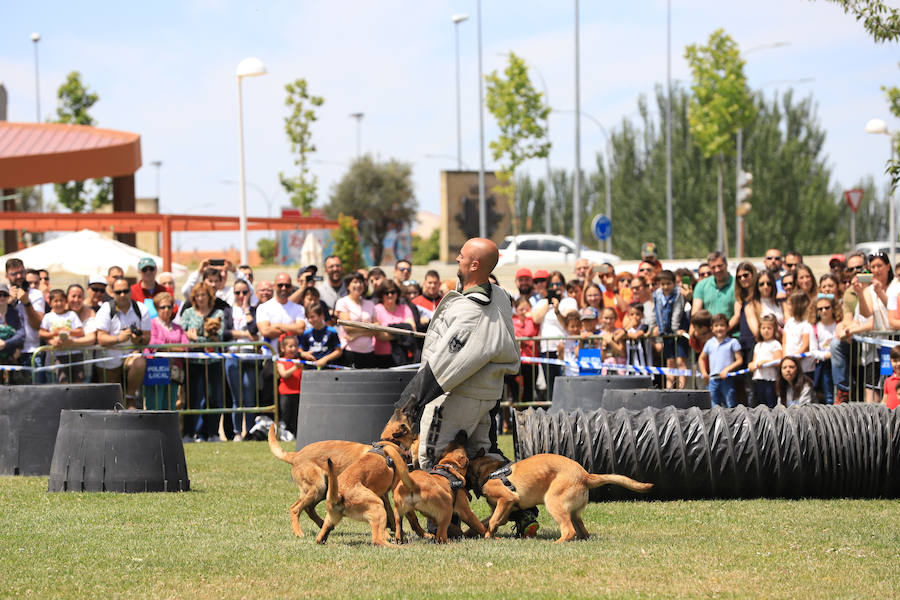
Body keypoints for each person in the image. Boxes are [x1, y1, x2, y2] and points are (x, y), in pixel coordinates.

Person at [396, 237, 529, 534]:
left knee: (433, 456)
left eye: (462, 255)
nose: (456, 258)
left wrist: (410, 402)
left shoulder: (471, 313)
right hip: (486, 396)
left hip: (457, 396)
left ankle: (445, 523)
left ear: (474, 264)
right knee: (482, 457)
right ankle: (523, 512)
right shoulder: (500, 296)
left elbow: (446, 364)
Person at [92, 277, 150, 408]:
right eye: (118, 292)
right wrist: (119, 338)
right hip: (108, 359)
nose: (122, 295)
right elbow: (100, 338)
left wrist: (138, 339)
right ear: (112, 293)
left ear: (130, 291)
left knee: (140, 362)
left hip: (130, 356)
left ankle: (130, 398)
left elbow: (147, 338)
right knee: (111, 402)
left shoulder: (141, 309)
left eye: (125, 291)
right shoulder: (106, 309)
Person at [180, 282, 226, 442]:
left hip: (213, 361)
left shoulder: (218, 313)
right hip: (193, 361)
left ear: (209, 296)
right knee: (192, 398)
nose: (200, 298)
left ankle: (212, 433)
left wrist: (196, 339)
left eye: (203, 295)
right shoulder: (187, 313)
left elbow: (218, 337)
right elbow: (183, 335)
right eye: (197, 295)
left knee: (213, 397)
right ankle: (188, 433)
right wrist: (201, 339)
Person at [532, 271, 578, 399]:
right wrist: (548, 302)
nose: (555, 287)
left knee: (567, 384)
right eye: (552, 284)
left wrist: (557, 310)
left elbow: (568, 324)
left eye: (558, 283)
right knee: (551, 386)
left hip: (566, 348)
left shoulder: (569, 301)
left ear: (563, 285)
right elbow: (536, 319)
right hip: (547, 349)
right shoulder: (542, 302)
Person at [226, 279, 259, 439]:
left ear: (249, 293)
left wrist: (246, 309)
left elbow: (254, 329)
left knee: (249, 395)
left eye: (244, 292)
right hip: (232, 355)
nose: (241, 295)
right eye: (237, 292)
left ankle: (251, 431)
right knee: (236, 397)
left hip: (249, 355)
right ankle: (237, 431)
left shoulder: (254, 310)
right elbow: (225, 333)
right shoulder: (228, 310)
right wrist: (245, 334)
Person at [147, 291, 188, 411]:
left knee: (170, 406)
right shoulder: (151, 324)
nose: (166, 310)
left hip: (174, 371)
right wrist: (175, 348)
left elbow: (186, 346)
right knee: (155, 404)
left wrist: (166, 347)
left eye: (169, 306)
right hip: (156, 369)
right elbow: (153, 343)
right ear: (156, 308)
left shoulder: (177, 327)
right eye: (162, 307)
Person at [6, 258, 46, 381]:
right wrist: (8, 302)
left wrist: (26, 302)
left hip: (32, 352)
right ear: (7, 275)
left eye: (22, 272)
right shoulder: (2, 294)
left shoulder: (36, 294)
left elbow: (37, 325)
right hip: (7, 353)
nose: (19, 276)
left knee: (37, 394)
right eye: (14, 274)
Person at [650, 270, 687, 389]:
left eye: (668, 283)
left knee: (680, 361)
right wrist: (653, 327)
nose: (665, 287)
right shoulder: (657, 294)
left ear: (674, 283)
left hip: (678, 330)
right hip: (665, 332)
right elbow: (655, 312)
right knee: (669, 362)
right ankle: (669, 388)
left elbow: (677, 312)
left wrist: (675, 330)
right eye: (663, 284)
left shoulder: (678, 294)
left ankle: (681, 389)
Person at [39, 289, 85, 383]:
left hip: (75, 353)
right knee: (63, 380)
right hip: (59, 354)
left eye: (61, 300)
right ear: (50, 303)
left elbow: (80, 332)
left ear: (66, 302)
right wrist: (54, 334)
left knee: (78, 379)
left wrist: (69, 331)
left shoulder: (71, 314)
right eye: (56, 301)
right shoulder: (48, 317)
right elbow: (42, 333)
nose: (59, 303)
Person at [256, 273, 307, 354]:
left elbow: (300, 329)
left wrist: (277, 326)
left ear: (291, 287)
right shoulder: (263, 307)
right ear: (274, 286)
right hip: (270, 355)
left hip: (291, 357)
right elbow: (265, 331)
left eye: (287, 285)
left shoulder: (299, 308)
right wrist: (291, 329)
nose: (284, 288)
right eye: (280, 285)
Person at [699, 313, 742, 408]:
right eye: (716, 326)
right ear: (712, 328)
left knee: (730, 404)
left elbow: (739, 360)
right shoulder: (709, 343)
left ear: (727, 327)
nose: (719, 328)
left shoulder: (732, 342)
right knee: (714, 405)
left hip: (727, 379)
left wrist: (727, 369)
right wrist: (704, 373)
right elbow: (701, 358)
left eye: (722, 325)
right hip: (713, 380)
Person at [373, 280, 416, 368]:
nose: (390, 295)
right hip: (381, 356)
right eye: (386, 292)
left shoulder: (404, 308)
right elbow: (380, 335)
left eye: (393, 292)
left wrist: (389, 331)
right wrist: (403, 333)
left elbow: (412, 330)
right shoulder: (376, 309)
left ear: (397, 293)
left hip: (403, 356)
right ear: (381, 294)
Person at [748, 314, 782, 408]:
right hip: (758, 379)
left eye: (769, 328)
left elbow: (779, 361)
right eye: (763, 328)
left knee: (770, 404)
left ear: (774, 330)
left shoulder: (775, 344)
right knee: (759, 404)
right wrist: (751, 365)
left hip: (770, 380)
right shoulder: (758, 345)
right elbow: (755, 362)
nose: (766, 330)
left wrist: (765, 362)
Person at [691, 251, 735, 321]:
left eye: (720, 266)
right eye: (713, 267)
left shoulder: (736, 284)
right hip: (707, 330)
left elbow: (738, 315)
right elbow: (695, 316)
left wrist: (722, 329)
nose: (717, 270)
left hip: (733, 330)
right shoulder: (701, 285)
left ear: (726, 264)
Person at [810, 293, 838, 404]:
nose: (824, 311)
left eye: (827, 307)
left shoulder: (838, 324)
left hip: (838, 363)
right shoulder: (815, 328)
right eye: (820, 309)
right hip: (825, 364)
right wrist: (826, 355)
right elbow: (813, 351)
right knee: (828, 396)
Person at [276, 334, 303, 441]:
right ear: (283, 348)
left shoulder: (299, 361)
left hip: (298, 392)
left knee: (296, 416)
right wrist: (295, 367)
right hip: (285, 394)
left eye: (295, 346)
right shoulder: (281, 361)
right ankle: (283, 435)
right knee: (285, 415)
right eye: (290, 346)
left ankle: (296, 435)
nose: (293, 349)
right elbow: (284, 374)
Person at [298, 303, 342, 369]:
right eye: (308, 318)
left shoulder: (331, 332)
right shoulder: (306, 333)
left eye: (312, 317)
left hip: (328, 369)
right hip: (311, 369)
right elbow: (300, 350)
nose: (310, 320)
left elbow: (338, 351)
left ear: (322, 316)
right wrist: (303, 354)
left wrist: (325, 359)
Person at [0, 283, 25, 383]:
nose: (2, 297)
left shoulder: (16, 313)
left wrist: (6, 343)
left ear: (8, 297)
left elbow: (21, 334)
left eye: (5, 295)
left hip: (12, 358)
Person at [882, 345, 900, 410]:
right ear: (890, 362)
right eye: (895, 361)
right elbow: (884, 399)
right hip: (890, 416)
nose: (898, 363)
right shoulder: (888, 381)